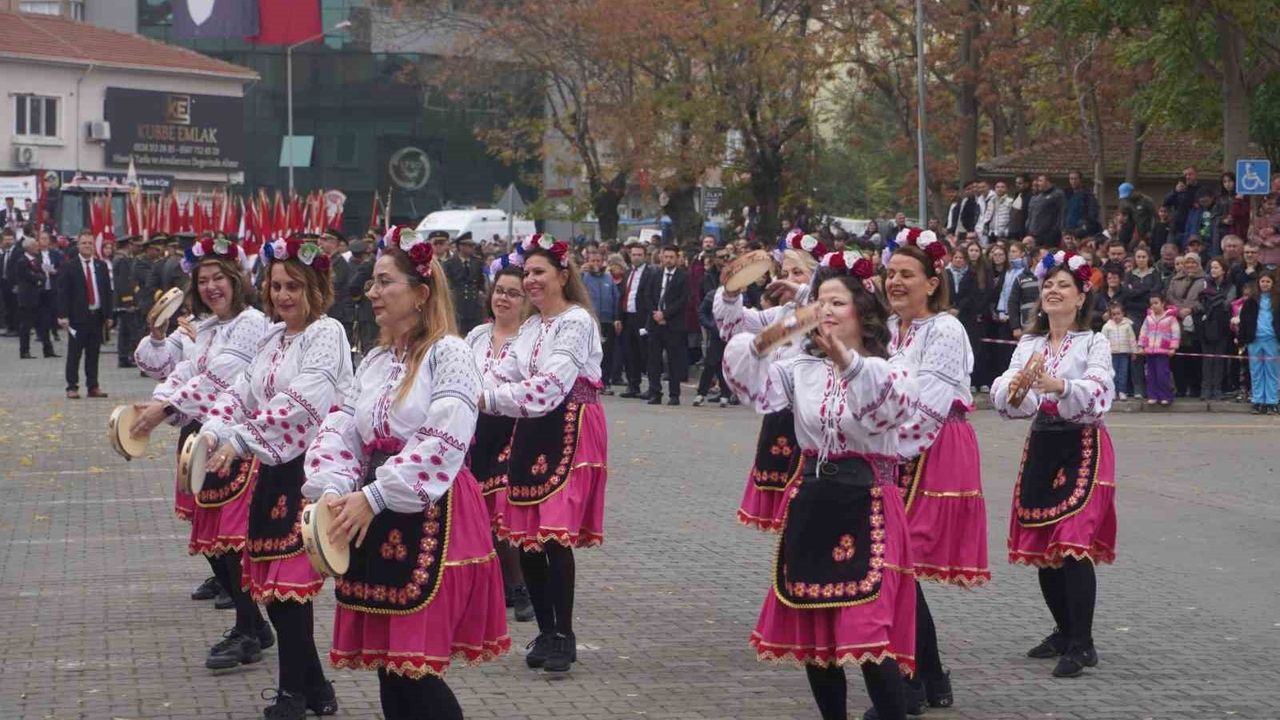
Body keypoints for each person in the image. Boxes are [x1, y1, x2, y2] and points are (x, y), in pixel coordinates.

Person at [304, 227, 509, 720]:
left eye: (384, 281)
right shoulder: (375, 359)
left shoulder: (449, 353)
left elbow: (446, 436)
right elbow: (340, 427)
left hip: (432, 511)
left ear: (420, 294)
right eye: (372, 282)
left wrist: (374, 496)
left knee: (417, 673)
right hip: (370, 514)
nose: (372, 292)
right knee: (390, 670)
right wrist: (333, 488)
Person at [723, 251, 918, 720]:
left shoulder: (892, 365)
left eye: (838, 302)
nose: (826, 311)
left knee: (869, 635)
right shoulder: (800, 369)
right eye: (820, 302)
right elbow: (751, 385)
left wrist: (846, 361)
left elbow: (885, 409)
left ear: (861, 311)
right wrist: (769, 338)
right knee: (816, 636)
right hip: (813, 499)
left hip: (868, 497)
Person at [200, 236, 352, 719]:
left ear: (315, 288)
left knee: (290, 588)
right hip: (272, 468)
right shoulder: (272, 337)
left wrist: (240, 440)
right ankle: (315, 689)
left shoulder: (327, 333)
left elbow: (302, 402)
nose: (283, 295)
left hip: (311, 469)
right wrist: (213, 430)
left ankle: (292, 695)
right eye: (276, 285)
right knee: (273, 589)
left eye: (293, 286)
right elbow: (240, 390)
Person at [131, 236, 273, 669]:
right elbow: (167, 367)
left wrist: (161, 409)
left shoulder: (250, 323)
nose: (211, 286)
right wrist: (158, 342)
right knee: (216, 538)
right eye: (204, 279)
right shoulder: (206, 328)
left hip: (238, 440)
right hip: (202, 435)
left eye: (219, 278)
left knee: (233, 542)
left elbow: (220, 375)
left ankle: (250, 629)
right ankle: (252, 626)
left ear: (237, 280)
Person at [479, 233, 607, 674]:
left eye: (538, 272)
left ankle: (564, 634)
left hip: (570, 424)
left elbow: (553, 384)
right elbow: (502, 372)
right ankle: (546, 627)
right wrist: (468, 388)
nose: (530, 280)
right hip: (532, 425)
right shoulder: (531, 327)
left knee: (552, 533)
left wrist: (489, 398)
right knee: (524, 531)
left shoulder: (576, 322)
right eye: (526, 272)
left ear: (562, 275)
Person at [990, 251, 1117, 679]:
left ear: (1081, 297)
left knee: (1073, 542)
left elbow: (1100, 391)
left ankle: (1084, 644)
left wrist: (1058, 384)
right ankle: (1065, 631)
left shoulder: (1093, 341)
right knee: (1045, 546)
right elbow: (1014, 395)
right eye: (1048, 285)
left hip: (1082, 442)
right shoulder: (1030, 344)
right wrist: (1016, 390)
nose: (1052, 291)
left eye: (1063, 285)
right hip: (1044, 442)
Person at [882, 235, 988, 716]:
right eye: (892, 273)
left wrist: (885, 445)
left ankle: (912, 680)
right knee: (896, 567)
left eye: (907, 274)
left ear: (932, 282)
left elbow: (930, 402)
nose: (896, 282)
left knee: (898, 566)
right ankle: (928, 675)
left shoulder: (943, 330)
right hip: (900, 445)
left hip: (933, 445)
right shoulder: (890, 328)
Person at [714, 233, 823, 530]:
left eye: (798, 273)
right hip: (782, 414)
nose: (787, 279)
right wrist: (732, 292)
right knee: (788, 515)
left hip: (812, 419)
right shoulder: (782, 313)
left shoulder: (828, 311)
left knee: (806, 506)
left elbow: (827, 309)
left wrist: (802, 294)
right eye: (785, 272)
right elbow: (738, 325)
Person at [464, 264, 537, 624]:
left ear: (526, 301)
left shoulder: (530, 339)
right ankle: (503, 584)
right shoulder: (476, 336)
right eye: (500, 291)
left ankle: (521, 585)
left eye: (513, 293)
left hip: (513, 429)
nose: (503, 299)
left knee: (502, 505)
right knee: (480, 511)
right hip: (475, 432)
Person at [55, 232, 113, 399]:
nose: (87, 246)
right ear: (78, 245)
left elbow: (107, 292)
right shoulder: (69, 266)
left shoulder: (100, 266)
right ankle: (72, 386)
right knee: (75, 354)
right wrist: (63, 315)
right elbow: (63, 293)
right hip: (77, 318)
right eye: (84, 243)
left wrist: (109, 315)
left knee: (93, 354)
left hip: (96, 317)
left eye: (90, 243)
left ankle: (93, 386)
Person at [642, 245, 691, 405]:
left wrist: (666, 314)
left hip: (673, 324)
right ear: (661, 257)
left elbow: (683, 300)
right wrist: (655, 313)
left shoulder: (683, 277)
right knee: (654, 360)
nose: (668, 260)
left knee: (673, 360)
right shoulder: (655, 275)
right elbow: (647, 295)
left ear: (677, 258)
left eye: (671, 257)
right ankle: (655, 392)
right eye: (666, 257)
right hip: (655, 323)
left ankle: (674, 394)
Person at [619, 243, 658, 398]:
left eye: (639, 255)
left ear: (645, 256)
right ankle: (632, 385)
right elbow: (622, 295)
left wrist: (649, 319)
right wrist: (619, 317)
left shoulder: (651, 273)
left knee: (646, 354)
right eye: (634, 254)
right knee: (629, 353)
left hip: (643, 318)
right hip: (628, 316)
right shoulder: (628, 272)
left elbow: (651, 297)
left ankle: (651, 386)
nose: (636, 257)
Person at [1237, 273, 1280, 414]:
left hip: (1272, 340)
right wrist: (1242, 340)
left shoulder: (1277, 300)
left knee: (1272, 372)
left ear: (1273, 283)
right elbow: (1243, 321)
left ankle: (1272, 401)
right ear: (1258, 283)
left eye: (1268, 281)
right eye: (1262, 281)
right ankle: (1258, 401)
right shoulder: (1251, 301)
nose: (1265, 284)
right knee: (1256, 372)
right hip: (1254, 340)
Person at [581, 246, 621, 393]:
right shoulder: (584, 277)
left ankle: (605, 382)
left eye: (598, 260)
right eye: (593, 261)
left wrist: (617, 317)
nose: (596, 263)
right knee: (590, 353)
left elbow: (616, 297)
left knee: (607, 353)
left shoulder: (608, 278)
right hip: (590, 321)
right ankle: (590, 382)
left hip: (607, 321)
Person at [1196, 257, 1235, 401]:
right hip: (1206, 326)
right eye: (1212, 267)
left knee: (1219, 359)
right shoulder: (1205, 284)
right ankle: (1205, 388)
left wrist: (1212, 302)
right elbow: (1199, 303)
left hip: (1222, 326)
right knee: (1207, 359)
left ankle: (1217, 388)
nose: (1213, 270)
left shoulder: (1230, 286)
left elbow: (1227, 304)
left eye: (1216, 267)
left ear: (1223, 270)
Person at [14, 237, 56, 358]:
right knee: (26, 326)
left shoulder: (37, 260)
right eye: (35, 246)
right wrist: (39, 279)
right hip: (27, 299)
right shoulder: (22, 261)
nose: (38, 247)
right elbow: (29, 277)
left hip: (40, 297)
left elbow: (42, 275)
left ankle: (48, 350)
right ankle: (24, 351)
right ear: (29, 248)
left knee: (44, 323)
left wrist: (39, 279)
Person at [1138, 294, 1179, 406]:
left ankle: (1165, 396)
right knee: (1151, 375)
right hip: (1150, 351)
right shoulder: (1148, 318)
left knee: (1162, 375)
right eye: (1152, 304)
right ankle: (1153, 395)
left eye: (1156, 303)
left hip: (1163, 351)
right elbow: (1143, 332)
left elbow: (1175, 334)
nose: (1153, 306)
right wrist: (1141, 346)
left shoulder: (1170, 318)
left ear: (1163, 303)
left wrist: (1173, 347)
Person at [444, 232, 486, 334]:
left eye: (472, 245)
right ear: (460, 246)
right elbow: (448, 284)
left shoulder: (477, 262)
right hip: (457, 304)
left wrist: (481, 294)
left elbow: (481, 282)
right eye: (469, 245)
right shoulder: (449, 264)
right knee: (458, 333)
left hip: (474, 305)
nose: (472, 248)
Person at [1100, 303, 1137, 400]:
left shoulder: (1127, 325)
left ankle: (1122, 391)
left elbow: (1132, 339)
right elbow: (1103, 340)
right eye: (1114, 314)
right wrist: (1104, 353)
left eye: (1118, 314)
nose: (1116, 316)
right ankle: (1113, 392)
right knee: (1112, 373)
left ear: (1123, 313)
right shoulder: (1107, 326)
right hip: (1111, 354)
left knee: (1123, 373)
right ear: (1111, 315)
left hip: (1124, 354)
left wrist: (1134, 352)